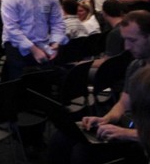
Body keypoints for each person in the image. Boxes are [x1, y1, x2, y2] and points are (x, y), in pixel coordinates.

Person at [49, 10, 150, 164]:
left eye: (132, 40)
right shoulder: (136, 65)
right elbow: (123, 104)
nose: (127, 47)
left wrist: (126, 133)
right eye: (125, 40)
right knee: (61, 139)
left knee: (82, 154)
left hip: (140, 138)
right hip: (132, 128)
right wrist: (105, 119)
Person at [1, 0, 66, 80]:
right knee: (21, 85)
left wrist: (55, 42)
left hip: (43, 44)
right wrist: (34, 50)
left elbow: (57, 22)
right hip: (17, 46)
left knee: (45, 83)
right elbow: (12, 29)